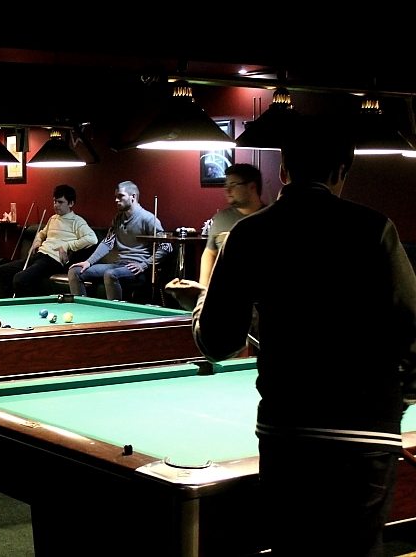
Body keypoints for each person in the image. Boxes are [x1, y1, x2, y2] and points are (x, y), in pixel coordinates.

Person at [173, 116, 416, 556]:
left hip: (288, 433)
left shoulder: (249, 233)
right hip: (367, 433)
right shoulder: (376, 228)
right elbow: (412, 327)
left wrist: (201, 301)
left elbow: (218, 342)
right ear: (342, 171)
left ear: (283, 170)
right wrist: (401, 398)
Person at [0, 185, 97, 297]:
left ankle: (29, 306)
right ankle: (9, 305)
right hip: (39, 255)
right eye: (54, 201)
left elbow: (92, 239)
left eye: (60, 202)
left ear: (71, 203)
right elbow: (42, 233)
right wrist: (37, 241)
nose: (56, 205)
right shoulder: (53, 218)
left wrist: (67, 246)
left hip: (53, 260)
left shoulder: (77, 221)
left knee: (20, 279)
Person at [69, 181, 170, 301]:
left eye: (121, 196)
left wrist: (144, 265)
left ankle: (114, 311)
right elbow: (107, 243)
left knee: (110, 274)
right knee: (75, 272)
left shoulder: (148, 219)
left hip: (137, 269)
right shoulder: (118, 218)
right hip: (119, 264)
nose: (116, 200)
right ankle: (82, 308)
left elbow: (166, 246)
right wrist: (88, 262)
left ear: (133, 196)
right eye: (116, 197)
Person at [198, 164, 264, 286]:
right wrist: (203, 291)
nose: (227, 190)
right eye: (226, 185)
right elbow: (210, 253)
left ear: (252, 187)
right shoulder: (220, 219)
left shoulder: (271, 218)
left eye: (233, 185)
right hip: (225, 293)